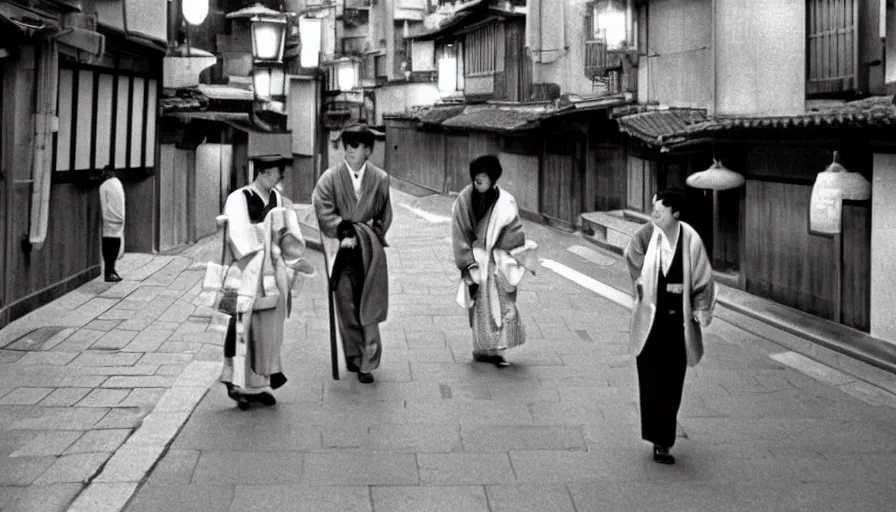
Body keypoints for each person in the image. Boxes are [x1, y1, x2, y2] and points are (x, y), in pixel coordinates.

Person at [624, 189, 717, 464]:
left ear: (675, 213)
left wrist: (701, 308)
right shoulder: (646, 233)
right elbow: (631, 253)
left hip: (677, 321)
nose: (654, 214)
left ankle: (664, 439)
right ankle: (658, 440)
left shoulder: (690, 239)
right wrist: (643, 279)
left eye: (660, 211)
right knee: (651, 382)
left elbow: (702, 277)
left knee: (672, 383)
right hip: (650, 320)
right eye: (653, 209)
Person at [220, 154, 314, 409]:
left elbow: (288, 235)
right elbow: (238, 237)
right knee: (242, 326)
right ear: (261, 172)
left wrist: (283, 245)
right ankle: (236, 383)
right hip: (246, 270)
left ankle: (260, 383)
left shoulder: (278, 200)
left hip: (271, 272)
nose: (278, 178)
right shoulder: (238, 198)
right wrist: (266, 241)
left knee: (268, 328)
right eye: (274, 173)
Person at [312, 124, 392, 384]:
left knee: (369, 305)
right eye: (347, 147)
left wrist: (371, 236)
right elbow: (323, 208)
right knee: (346, 305)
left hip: (369, 251)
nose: (350, 152)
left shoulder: (380, 179)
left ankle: (367, 361)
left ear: (368, 151)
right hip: (342, 249)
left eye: (356, 147)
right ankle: (355, 357)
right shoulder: (330, 179)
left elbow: (384, 215)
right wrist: (342, 229)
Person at [451, 155, 538, 368]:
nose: (476, 182)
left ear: (493, 178)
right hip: (477, 260)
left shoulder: (505, 200)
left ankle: (497, 349)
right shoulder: (464, 199)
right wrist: (467, 262)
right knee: (480, 306)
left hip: (499, 260)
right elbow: (459, 233)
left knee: (504, 305)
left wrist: (506, 246)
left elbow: (515, 231)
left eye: (482, 178)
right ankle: (482, 349)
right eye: (475, 179)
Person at [99, 166, 125, 282]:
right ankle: (112, 269)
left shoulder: (103, 186)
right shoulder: (118, 183)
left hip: (109, 219)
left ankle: (108, 271)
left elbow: (104, 205)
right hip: (120, 217)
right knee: (115, 242)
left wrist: (105, 217)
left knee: (108, 244)